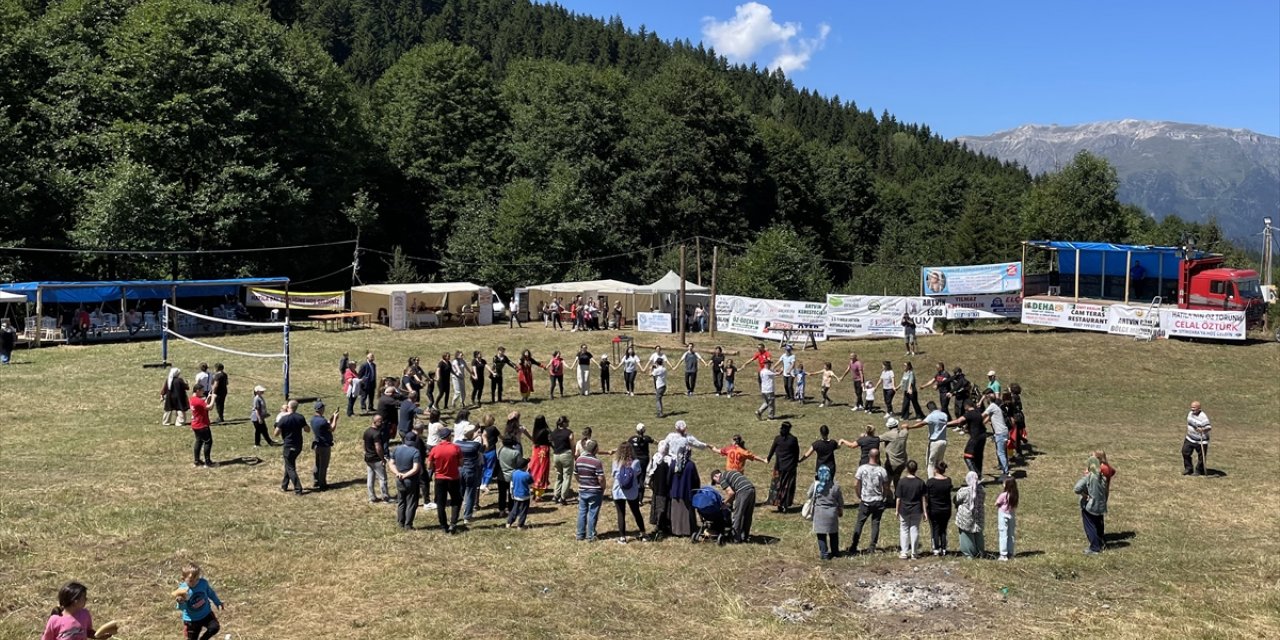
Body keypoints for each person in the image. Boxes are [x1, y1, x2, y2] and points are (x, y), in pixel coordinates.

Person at [849, 448, 890, 555]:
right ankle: (872, 547)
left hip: (865, 501)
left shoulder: (862, 469)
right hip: (877, 501)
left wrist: (859, 494)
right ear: (878, 456)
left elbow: (856, 483)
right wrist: (884, 497)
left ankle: (854, 545)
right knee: (875, 523)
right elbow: (886, 486)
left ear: (869, 456)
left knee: (860, 523)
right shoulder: (882, 470)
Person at [43, 581, 109, 640]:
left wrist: (99, 636)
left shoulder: (84, 614)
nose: (86, 599)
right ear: (75, 601)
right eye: (84, 597)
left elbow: (88, 632)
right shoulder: (55, 620)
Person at [427, 428, 463, 533]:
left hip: (439, 478)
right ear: (449, 436)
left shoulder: (435, 449)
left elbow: (429, 466)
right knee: (456, 500)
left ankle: (443, 525)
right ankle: (453, 523)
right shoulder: (456, 448)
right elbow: (461, 463)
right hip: (453, 478)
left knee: (441, 503)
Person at [175, 563, 223, 640]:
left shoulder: (203, 583)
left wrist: (217, 602)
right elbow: (182, 608)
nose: (195, 582)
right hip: (191, 620)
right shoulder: (182, 590)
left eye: (197, 579)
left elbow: (210, 593)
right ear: (183, 579)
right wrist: (181, 602)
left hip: (206, 614)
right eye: (191, 580)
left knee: (214, 627)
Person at [610, 441, 646, 542]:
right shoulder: (635, 462)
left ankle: (622, 537)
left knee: (621, 514)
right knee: (636, 512)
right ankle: (643, 533)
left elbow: (614, 474)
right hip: (632, 491)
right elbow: (638, 473)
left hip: (618, 490)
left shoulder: (616, 461)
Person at [711, 468, 757, 542]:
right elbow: (733, 495)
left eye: (715, 481)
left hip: (743, 491)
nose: (718, 483)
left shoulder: (722, 478)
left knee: (738, 515)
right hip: (751, 489)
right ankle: (745, 536)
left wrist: (724, 503)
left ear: (716, 476)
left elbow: (731, 493)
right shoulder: (729, 474)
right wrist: (728, 504)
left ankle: (735, 538)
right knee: (747, 515)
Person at [1075, 455, 1109, 555]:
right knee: (1099, 525)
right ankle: (1100, 542)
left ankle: (1094, 548)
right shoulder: (1103, 477)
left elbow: (1077, 488)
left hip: (1090, 506)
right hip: (1101, 506)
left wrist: (1084, 495)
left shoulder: (1089, 477)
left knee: (1090, 526)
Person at [809, 465, 844, 560]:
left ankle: (824, 554)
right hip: (832, 513)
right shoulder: (835, 486)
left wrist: (815, 481)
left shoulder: (815, 485)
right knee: (833, 534)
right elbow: (840, 500)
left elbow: (809, 495)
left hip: (819, 512)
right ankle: (835, 552)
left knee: (821, 534)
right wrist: (840, 510)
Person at [275, 400, 310, 495]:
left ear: (288, 407)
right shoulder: (300, 417)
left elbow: (276, 434)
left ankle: (298, 489)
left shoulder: (284, 419)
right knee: (289, 464)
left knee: (290, 467)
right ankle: (284, 485)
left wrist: (279, 426)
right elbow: (307, 430)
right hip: (298, 446)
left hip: (288, 446)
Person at [574, 439, 605, 541]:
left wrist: (581, 482)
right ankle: (591, 535)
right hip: (594, 490)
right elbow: (600, 478)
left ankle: (580, 534)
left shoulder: (578, 460)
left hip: (583, 489)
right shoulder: (596, 462)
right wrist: (603, 487)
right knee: (592, 513)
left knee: (582, 512)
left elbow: (576, 473)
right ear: (595, 449)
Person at [392, 431, 423, 529]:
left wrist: (398, 473)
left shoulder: (397, 449)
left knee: (401, 501)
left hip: (399, 480)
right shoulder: (415, 451)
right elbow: (416, 468)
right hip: (411, 481)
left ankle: (400, 522)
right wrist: (405, 475)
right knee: (411, 502)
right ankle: (408, 524)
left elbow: (391, 463)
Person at [767, 421, 800, 512]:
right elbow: (796, 452)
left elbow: (772, 449)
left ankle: (777, 503)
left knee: (778, 485)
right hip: (790, 466)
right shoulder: (793, 439)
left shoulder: (778, 439)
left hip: (779, 466)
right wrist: (796, 461)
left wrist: (768, 458)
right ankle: (785, 504)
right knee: (787, 486)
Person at [895, 460, 926, 559]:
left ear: (906, 469)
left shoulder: (902, 482)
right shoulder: (920, 482)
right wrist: (925, 511)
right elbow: (923, 498)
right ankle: (914, 552)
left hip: (904, 509)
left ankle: (904, 552)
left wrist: (897, 510)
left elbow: (898, 498)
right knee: (914, 529)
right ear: (916, 469)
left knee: (904, 530)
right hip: (917, 509)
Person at [948, 400, 986, 478]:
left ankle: (976, 476)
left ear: (967, 406)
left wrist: (945, 424)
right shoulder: (978, 412)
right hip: (983, 436)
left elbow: (958, 421)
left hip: (975, 437)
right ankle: (979, 474)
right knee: (978, 457)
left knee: (967, 456)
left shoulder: (969, 414)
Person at [924, 460, 953, 556]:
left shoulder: (931, 482)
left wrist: (925, 508)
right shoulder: (948, 481)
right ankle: (944, 548)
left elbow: (926, 496)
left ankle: (936, 548)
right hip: (946, 509)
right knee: (943, 529)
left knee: (935, 528)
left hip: (934, 509)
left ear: (936, 469)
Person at [954, 470, 985, 558]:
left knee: (966, 536)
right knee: (978, 534)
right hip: (978, 516)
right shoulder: (981, 491)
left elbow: (957, 499)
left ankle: (969, 554)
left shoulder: (963, 491)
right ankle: (980, 552)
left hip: (966, 517)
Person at [456, 425, 483, 524]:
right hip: (471, 470)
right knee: (471, 492)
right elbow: (485, 449)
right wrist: (482, 437)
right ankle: (467, 516)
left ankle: (457, 512)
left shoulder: (457, 443)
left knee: (461, 491)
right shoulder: (475, 445)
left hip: (459, 470)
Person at [310, 401, 338, 491]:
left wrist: (332, 417)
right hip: (324, 445)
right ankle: (323, 484)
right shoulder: (322, 421)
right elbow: (332, 428)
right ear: (321, 409)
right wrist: (335, 419)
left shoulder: (313, 419)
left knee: (317, 464)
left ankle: (316, 480)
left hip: (317, 444)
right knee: (324, 465)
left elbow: (326, 423)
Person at [983, 390, 1011, 479]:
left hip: (1000, 433)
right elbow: (987, 419)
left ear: (988, 399)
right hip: (1004, 432)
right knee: (1003, 452)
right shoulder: (995, 407)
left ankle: (1006, 473)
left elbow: (983, 415)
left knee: (1001, 453)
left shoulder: (991, 406)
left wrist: (972, 420)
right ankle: (1005, 471)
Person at [363, 416, 391, 503]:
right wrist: (382, 458)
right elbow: (378, 447)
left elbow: (364, 444)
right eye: (380, 421)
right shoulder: (376, 434)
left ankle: (372, 497)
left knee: (370, 478)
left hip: (368, 458)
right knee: (382, 479)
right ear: (375, 422)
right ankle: (385, 497)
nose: (382, 423)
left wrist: (366, 453)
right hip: (376, 459)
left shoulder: (367, 431)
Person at [549, 416, 576, 505]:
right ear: (564, 423)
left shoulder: (554, 432)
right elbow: (572, 444)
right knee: (567, 476)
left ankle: (556, 495)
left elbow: (551, 441)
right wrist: (573, 453)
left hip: (556, 455)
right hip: (566, 454)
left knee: (559, 475)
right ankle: (563, 497)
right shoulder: (569, 432)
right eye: (567, 421)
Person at [918, 401, 949, 476]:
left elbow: (922, 423)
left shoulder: (931, 416)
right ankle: (939, 477)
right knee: (939, 462)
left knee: (931, 463)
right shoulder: (944, 415)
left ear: (929, 409)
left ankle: (931, 481)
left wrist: (910, 427)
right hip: (943, 441)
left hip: (934, 442)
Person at [628, 424, 655, 502]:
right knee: (642, 478)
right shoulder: (646, 438)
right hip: (644, 461)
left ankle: (633, 495)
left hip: (635, 461)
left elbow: (626, 445)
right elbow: (655, 442)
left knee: (635, 477)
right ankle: (640, 499)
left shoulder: (632, 439)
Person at [1182, 401, 1211, 475]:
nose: (1192, 409)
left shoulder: (1203, 417)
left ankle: (1199, 470)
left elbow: (1208, 427)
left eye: (1194, 408)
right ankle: (1188, 468)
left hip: (1201, 440)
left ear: (1199, 408)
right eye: (1191, 407)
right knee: (1185, 452)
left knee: (1201, 457)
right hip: (1190, 438)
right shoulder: (1190, 413)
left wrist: (1202, 430)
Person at [188, 386, 214, 468]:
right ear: (197, 390)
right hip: (202, 425)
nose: (203, 392)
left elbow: (203, 406)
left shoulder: (192, 399)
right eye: (202, 391)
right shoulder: (199, 401)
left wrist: (208, 398)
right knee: (208, 442)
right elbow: (209, 407)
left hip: (195, 424)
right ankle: (208, 462)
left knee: (198, 441)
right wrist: (213, 398)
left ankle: (197, 460)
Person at [528, 415, 552, 500]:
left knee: (535, 469)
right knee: (542, 471)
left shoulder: (535, 430)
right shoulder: (546, 430)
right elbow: (551, 440)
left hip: (536, 450)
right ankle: (538, 495)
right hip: (543, 451)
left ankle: (534, 491)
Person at [995, 477, 1018, 561]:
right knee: (1011, 534)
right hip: (1011, 514)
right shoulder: (1015, 494)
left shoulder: (1003, 495)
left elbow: (997, 503)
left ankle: (1003, 554)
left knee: (1003, 534)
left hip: (1003, 514)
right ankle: (1010, 552)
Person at [506, 458, 534, 529]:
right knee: (523, 511)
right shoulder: (527, 475)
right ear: (525, 466)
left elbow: (511, 485)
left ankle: (509, 523)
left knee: (514, 509)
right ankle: (520, 525)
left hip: (516, 495)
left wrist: (511, 493)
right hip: (525, 496)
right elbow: (531, 485)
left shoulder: (514, 473)